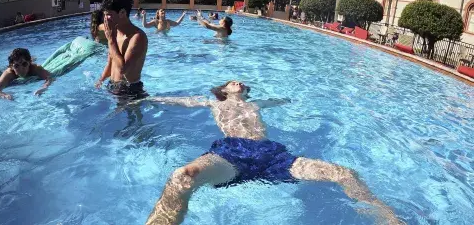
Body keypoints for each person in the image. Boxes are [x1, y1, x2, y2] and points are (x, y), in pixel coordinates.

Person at [144, 81, 402, 225]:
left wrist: (305, 97)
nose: (238, 82)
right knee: (184, 176)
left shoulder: (256, 103)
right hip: (232, 153)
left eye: (241, 82)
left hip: (271, 155)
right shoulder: (213, 103)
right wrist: (149, 99)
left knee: (344, 173)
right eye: (232, 81)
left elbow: (284, 100)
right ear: (224, 90)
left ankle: (387, 218)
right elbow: (180, 101)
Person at [95, 0, 148, 101]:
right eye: (104, 15)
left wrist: (111, 40)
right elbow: (110, 63)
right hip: (113, 86)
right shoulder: (115, 33)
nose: (105, 19)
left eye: (108, 14)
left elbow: (123, 70)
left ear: (122, 13)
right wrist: (101, 80)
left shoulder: (137, 37)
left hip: (130, 91)